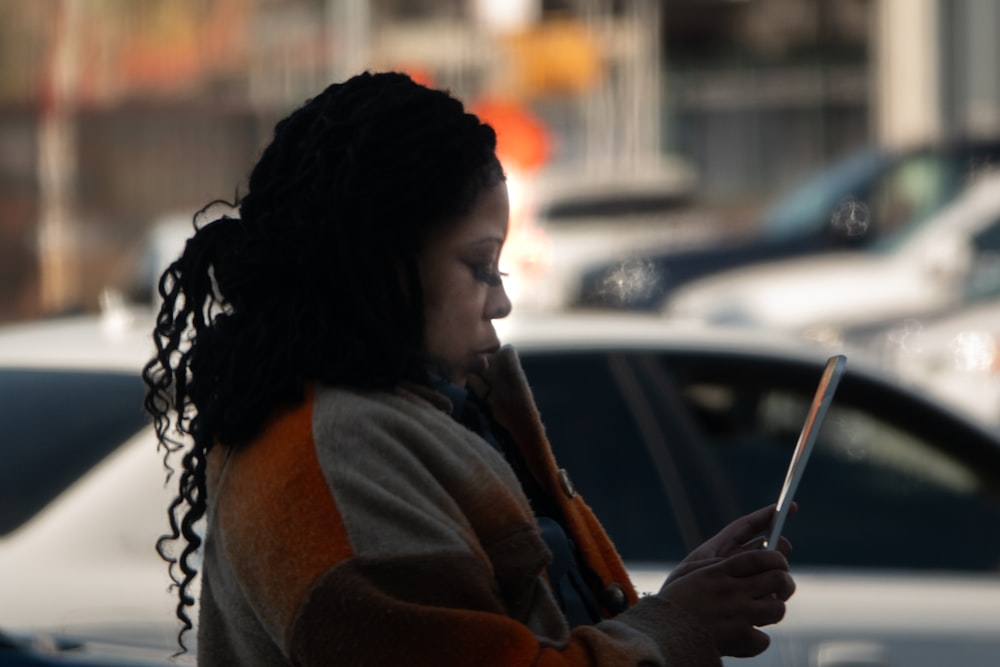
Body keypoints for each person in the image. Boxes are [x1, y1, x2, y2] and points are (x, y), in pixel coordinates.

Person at [144, 71, 795, 667]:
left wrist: (667, 611)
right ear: (379, 261)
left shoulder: (406, 418)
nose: (503, 299)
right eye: (481, 265)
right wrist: (674, 625)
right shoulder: (341, 452)